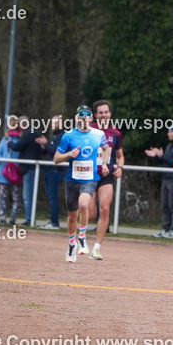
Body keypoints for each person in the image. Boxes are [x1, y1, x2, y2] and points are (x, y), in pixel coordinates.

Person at [53, 105, 109, 262]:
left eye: (87, 115)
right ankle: (72, 244)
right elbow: (56, 159)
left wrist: (105, 163)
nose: (84, 117)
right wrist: (69, 154)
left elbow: (106, 148)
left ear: (91, 118)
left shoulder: (99, 134)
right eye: (81, 115)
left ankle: (82, 236)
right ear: (77, 118)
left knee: (84, 205)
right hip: (72, 180)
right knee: (72, 216)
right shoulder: (68, 136)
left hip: (90, 178)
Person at [89, 100, 124, 259]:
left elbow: (120, 156)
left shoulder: (116, 134)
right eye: (100, 112)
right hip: (88, 174)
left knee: (105, 208)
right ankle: (78, 238)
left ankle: (97, 247)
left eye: (106, 112)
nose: (103, 115)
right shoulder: (88, 130)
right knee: (89, 213)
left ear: (110, 113)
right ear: (96, 115)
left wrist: (120, 167)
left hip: (106, 175)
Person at [145, 125, 173, 238]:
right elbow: (166, 161)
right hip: (166, 178)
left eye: (170, 131)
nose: (168, 134)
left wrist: (162, 155)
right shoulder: (169, 146)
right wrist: (157, 157)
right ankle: (165, 228)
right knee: (165, 205)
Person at [9, 115, 48, 226]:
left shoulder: (30, 133)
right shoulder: (31, 133)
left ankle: (30, 219)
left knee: (28, 195)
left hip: (31, 168)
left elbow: (18, 147)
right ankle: (30, 218)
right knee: (28, 195)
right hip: (29, 168)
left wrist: (9, 143)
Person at [0, 116, 23, 224]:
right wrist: (0, 162)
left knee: (16, 195)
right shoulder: (5, 138)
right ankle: (2, 216)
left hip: (16, 170)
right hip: (4, 170)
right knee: (3, 194)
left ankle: (13, 218)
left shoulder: (21, 139)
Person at [41, 115, 66, 229]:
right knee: (50, 196)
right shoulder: (55, 135)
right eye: (51, 122)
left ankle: (54, 222)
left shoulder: (62, 136)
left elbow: (57, 152)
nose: (52, 125)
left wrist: (46, 143)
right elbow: (49, 152)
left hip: (55, 170)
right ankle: (52, 220)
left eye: (55, 122)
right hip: (49, 170)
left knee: (53, 196)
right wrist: (44, 147)